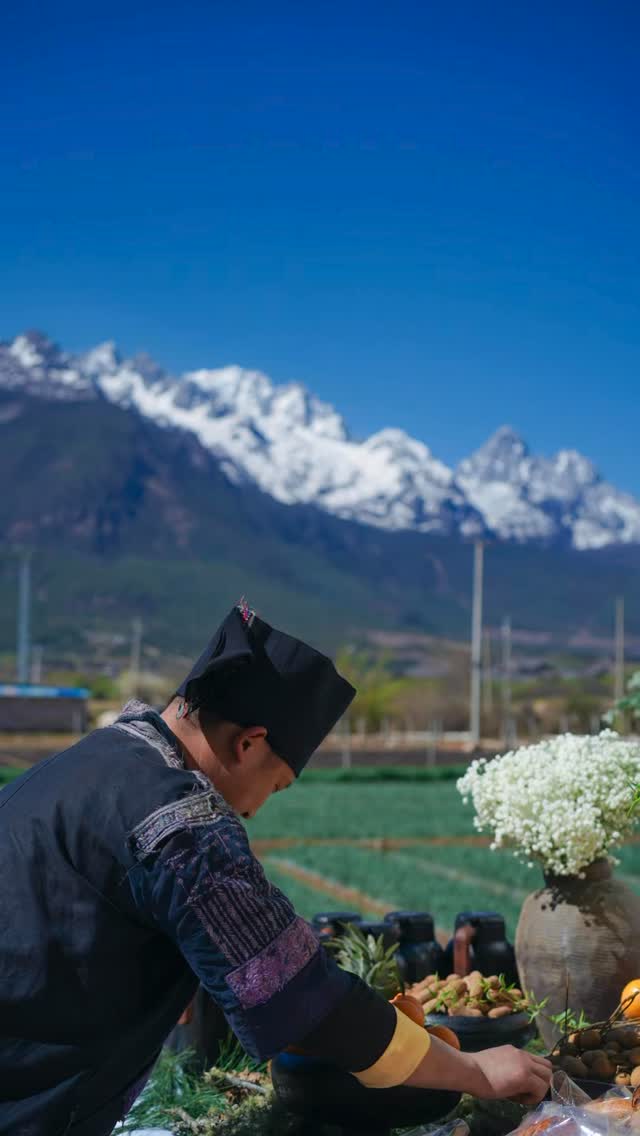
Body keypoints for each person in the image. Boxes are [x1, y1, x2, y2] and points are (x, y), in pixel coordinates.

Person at [0, 602, 551, 1135]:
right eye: (276, 785)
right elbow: (299, 1001)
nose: (254, 809)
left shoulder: (81, 764)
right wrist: (475, 1071)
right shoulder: (182, 823)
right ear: (249, 742)